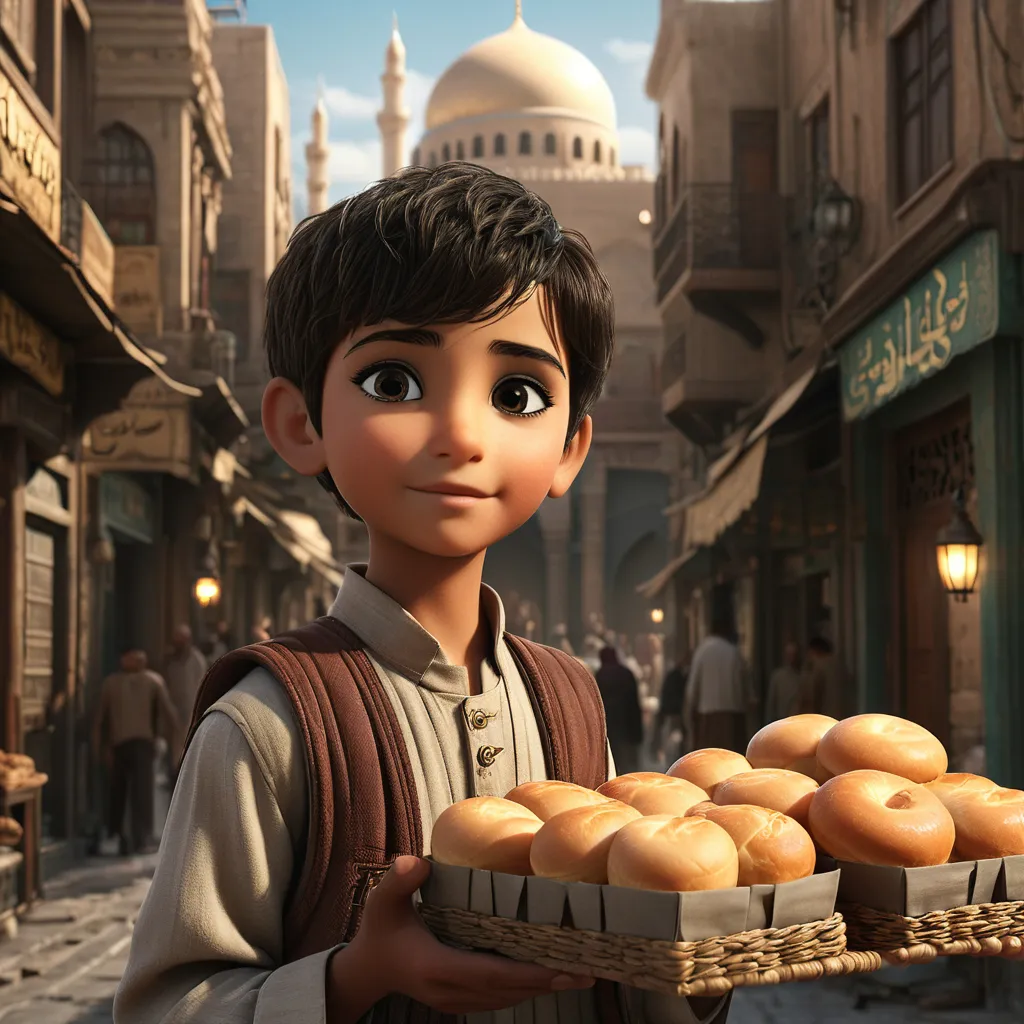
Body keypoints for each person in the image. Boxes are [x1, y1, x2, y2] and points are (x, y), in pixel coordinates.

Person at [113, 165, 733, 1024]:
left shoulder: (569, 703)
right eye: (395, 382)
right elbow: (164, 1005)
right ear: (301, 423)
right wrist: (351, 978)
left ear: (568, 449)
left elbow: (613, 968)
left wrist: (699, 966)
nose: (461, 435)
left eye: (516, 394)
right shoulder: (271, 723)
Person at [93, 648, 179, 855]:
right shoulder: (111, 683)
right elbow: (100, 719)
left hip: (143, 743)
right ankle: (117, 836)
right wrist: (100, 748)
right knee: (117, 793)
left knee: (142, 792)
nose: (136, 661)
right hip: (118, 743)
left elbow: (169, 715)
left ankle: (141, 837)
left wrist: (174, 742)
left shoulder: (152, 681)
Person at [683, 614, 750, 754]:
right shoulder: (734, 653)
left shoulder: (702, 652)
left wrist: (689, 719)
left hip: (708, 718)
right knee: (732, 760)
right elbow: (748, 690)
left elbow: (692, 690)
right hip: (733, 718)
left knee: (708, 760)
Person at [164, 625, 208, 776]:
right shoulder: (169, 661)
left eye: (181, 639)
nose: (178, 642)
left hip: (191, 713)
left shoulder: (197, 660)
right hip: (171, 714)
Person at [594, 646, 644, 775]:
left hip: (608, 726)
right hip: (627, 725)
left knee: (612, 762)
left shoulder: (600, 675)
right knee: (627, 765)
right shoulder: (626, 673)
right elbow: (634, 703)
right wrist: (637, 731)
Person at [653, 654, 689, 766]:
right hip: (674, 714)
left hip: (670, 713)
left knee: (670, 741)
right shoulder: (678, 677)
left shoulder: (672, 675)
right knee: (673, 741)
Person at [801, 636, 842, 719]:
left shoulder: (817, 666)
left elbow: (812, 697)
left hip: (823, 719)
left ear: (815, 651)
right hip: (844, 719)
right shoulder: (840, 666)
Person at [765, 641, 803, 723]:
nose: (791, 658)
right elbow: (771, 702)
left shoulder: (803, 677)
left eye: (794, 655)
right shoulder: (777, 676)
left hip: (798, 721)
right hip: (780, 720)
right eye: (789, 655)